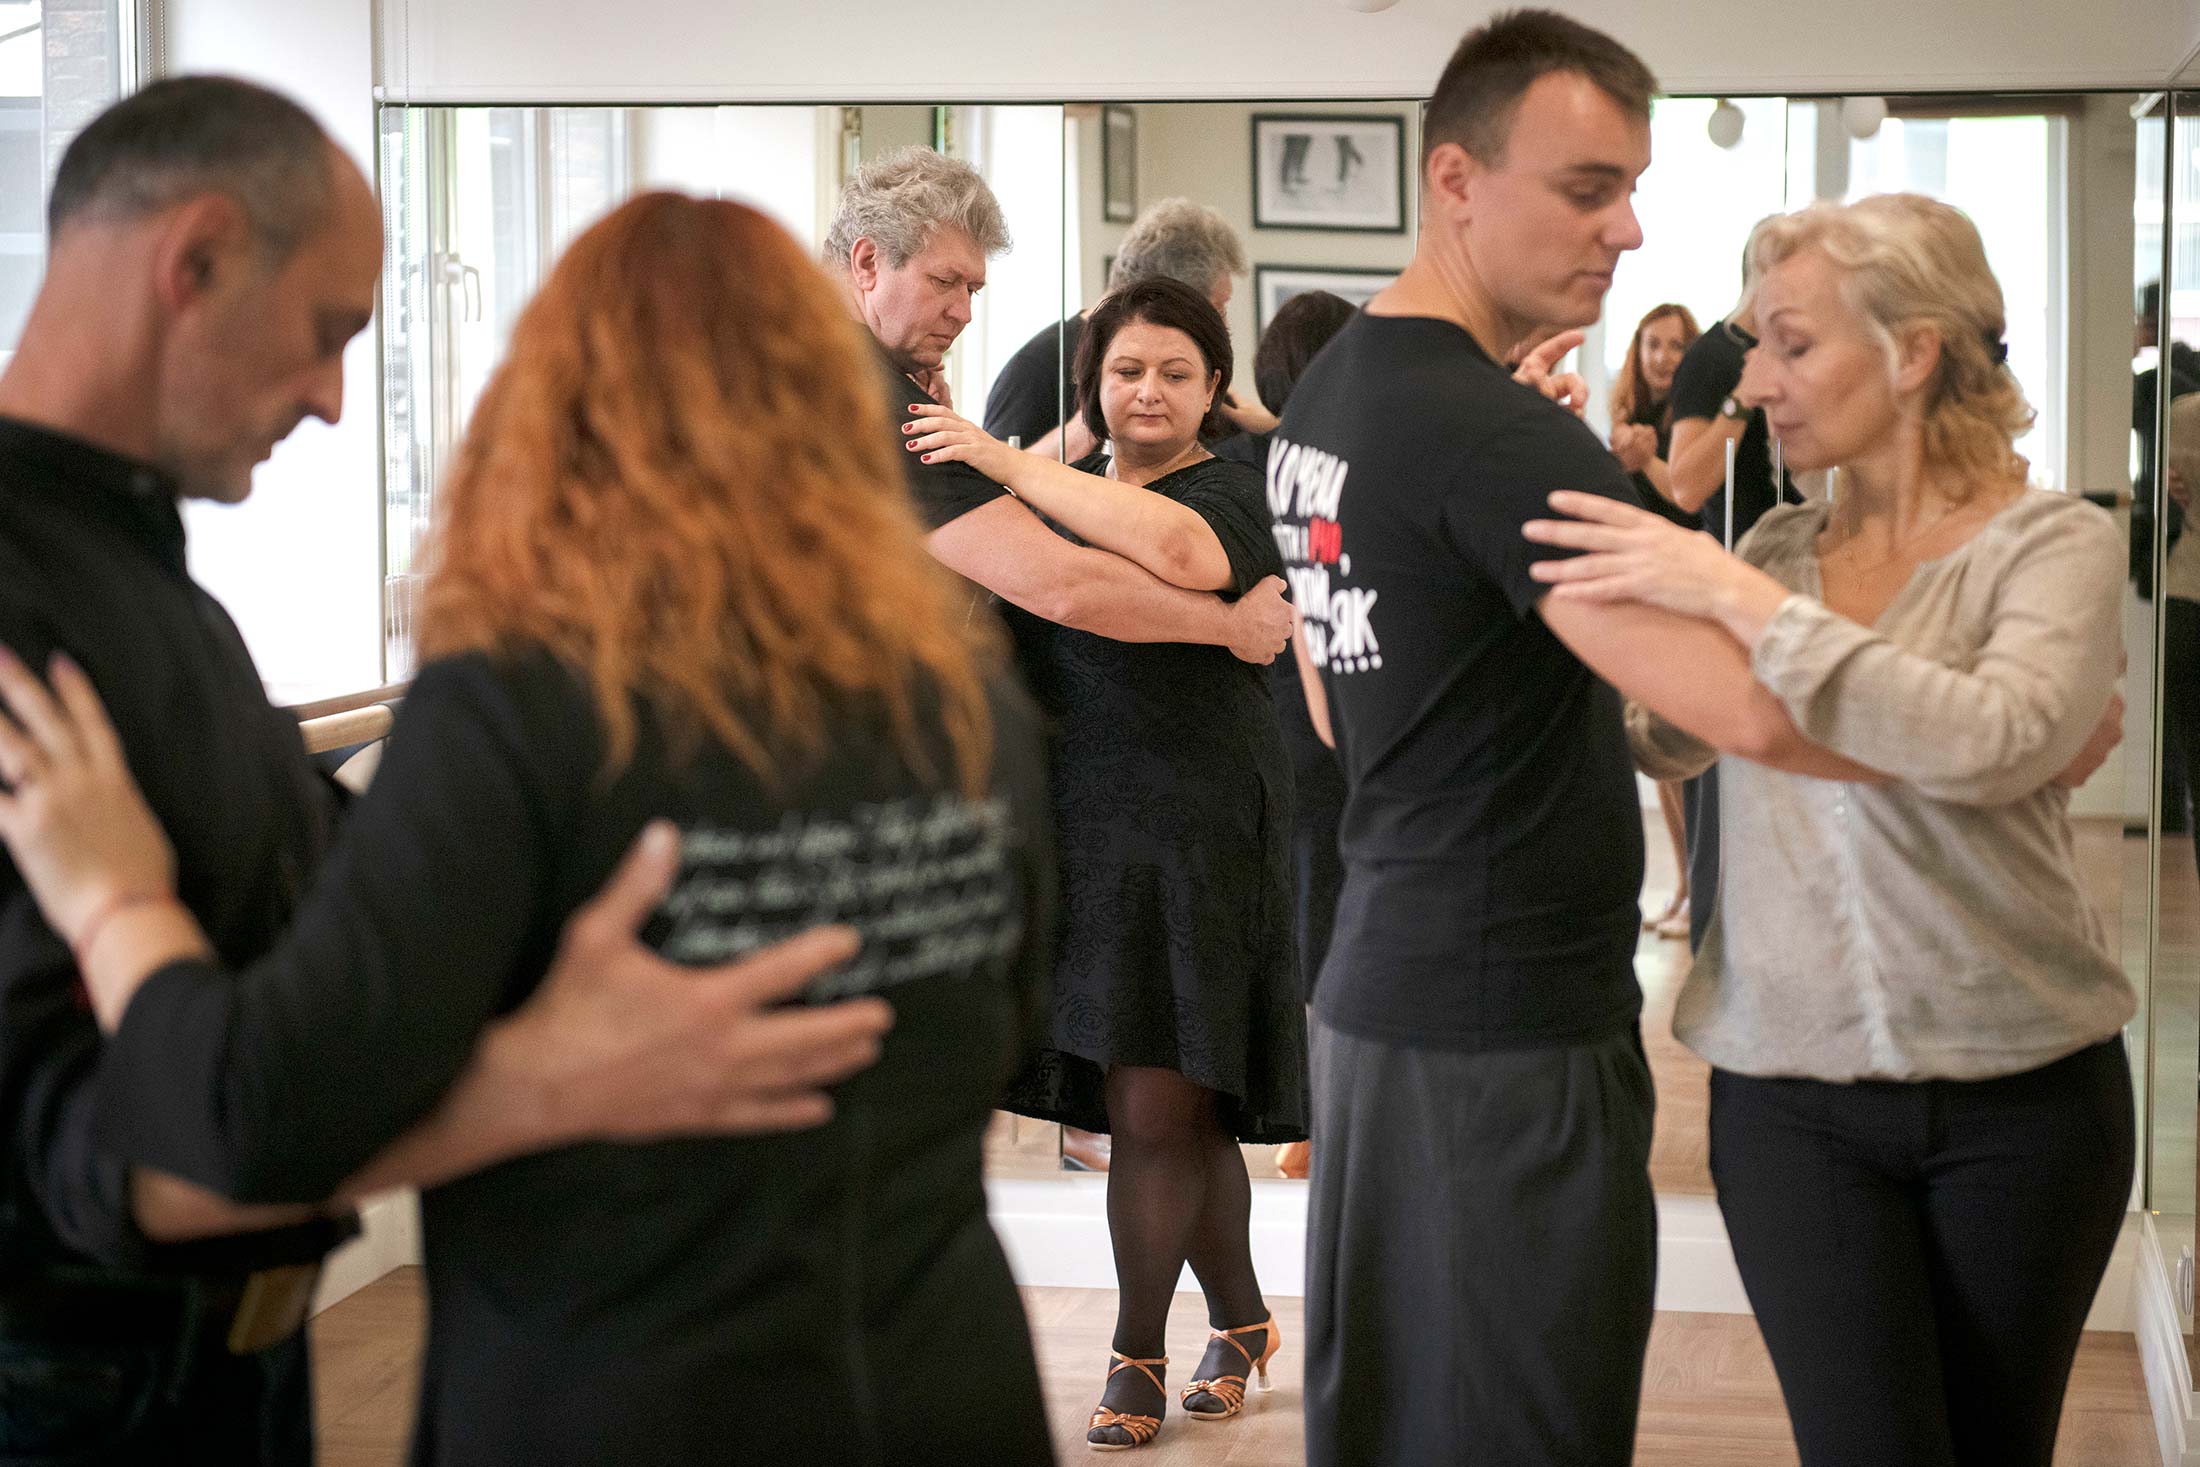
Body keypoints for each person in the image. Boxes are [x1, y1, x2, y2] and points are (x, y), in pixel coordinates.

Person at [0, 191, 1060, 1466]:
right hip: (945, 1384)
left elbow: (248, 1121)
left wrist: (118, 900)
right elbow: (1002, 1023)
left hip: (628, 1400)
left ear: (557, 413)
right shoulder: (971, 713)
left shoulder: (531, 712)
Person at [1265, 12, 1927, 1463]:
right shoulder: (1502, 441)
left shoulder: (1336, 393)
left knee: (1392, 1420)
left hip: (1380, 1000)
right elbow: (1746, 707)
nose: (1628, 226)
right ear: (1456, 179)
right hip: (1501, 1033)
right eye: (1585, 187)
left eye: (1633, 183)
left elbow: (1332, 694)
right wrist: (1999, 725)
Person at [1522, 192, 2134, 1467]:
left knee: (1993, 1445)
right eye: (1755, 345)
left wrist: (1737, 604)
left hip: (2028, 1100)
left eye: (1789, 344)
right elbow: (1658, 735)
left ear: (1912, 352)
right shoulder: (1778, 549)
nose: (1752, 381)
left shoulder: (2052, 545)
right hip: (1788, 1104)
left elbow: (1996, 738)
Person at [905, 276, 1307, 1453]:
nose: (1150, 391)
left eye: (1177, 373)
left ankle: (1136, 1352)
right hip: (1081, 838)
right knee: (1174, 1101)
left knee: (1151, 1097)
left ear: (1214, 391)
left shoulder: (1233, 490)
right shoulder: (1049, 501)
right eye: (1128, 370)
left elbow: (1178, 555)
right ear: (1094, 383)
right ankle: (1240, 1323)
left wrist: (1009, 457)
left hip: (1198, 834)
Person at [1216, 288, 1357, 1182]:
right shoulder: (1352, 468)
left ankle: (1310, 1113)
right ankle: (1319, 1115)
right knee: (1326, 908)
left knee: (1293, 908)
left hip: (1253, 709)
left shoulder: (1238, 463)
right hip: (1321, 715)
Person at [982, 197, 1259, 462]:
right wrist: (1086, 427)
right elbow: (993, 486)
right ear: (1169, 299)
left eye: (1174, 376)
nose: (1223, 326)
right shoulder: (1037, 367)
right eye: (1128, 372)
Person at [1608, 301, 1703, 938]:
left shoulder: (1688, 425)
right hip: (1636, 595)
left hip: (1684, 594)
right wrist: (1619, 461)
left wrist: (1645, 461)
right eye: (1652, 345)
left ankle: (1701, 888)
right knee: (1658, 763)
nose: (1663, 357)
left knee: (1686, 756)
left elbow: (1691, 498)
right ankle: (1684, 887)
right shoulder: (1626, 424)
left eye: (1674, 346)